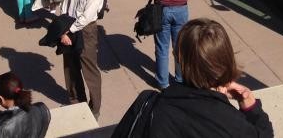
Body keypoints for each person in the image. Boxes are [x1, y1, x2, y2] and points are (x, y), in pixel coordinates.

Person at [111, 18, 273, 137]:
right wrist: (252, 109)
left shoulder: (148, 104)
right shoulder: (230, 122)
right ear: (226, 60)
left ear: (179, 60)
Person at [59, 0, 106, 120]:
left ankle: (95, 108)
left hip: (86, 31)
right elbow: (66, 5)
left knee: (89, 69)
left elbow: (87, 15)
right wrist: (63, 28)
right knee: (70, 67)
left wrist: (68, 31)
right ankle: (77, 101)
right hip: (70, 27)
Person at [150, 0, 196, 89]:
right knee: (180, 46)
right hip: (181, 10)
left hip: (162, 11)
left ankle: (163, 83)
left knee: (162, 47)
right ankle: (180, 78)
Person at [0, 71, 51, 137]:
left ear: (1, 99)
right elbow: (19, 116)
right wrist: (2, 114)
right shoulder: (42, 108)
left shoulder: (2, 130)